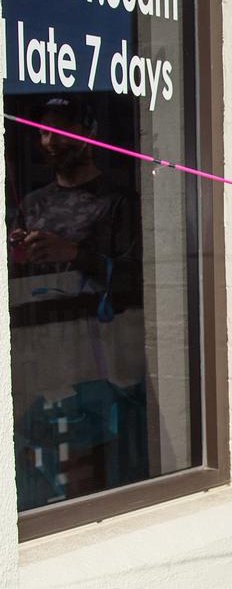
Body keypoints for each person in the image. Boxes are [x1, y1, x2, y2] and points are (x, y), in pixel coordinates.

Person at [8, 96, 145, 508]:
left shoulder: (119, 201)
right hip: (36, 350)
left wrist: (73, 253)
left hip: (97, 354)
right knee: (40, 446)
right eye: (43, 132)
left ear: (88, 134)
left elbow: (139, 280)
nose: (50, 140)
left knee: (92, 454)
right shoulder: (32, 204)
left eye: (61, 130)